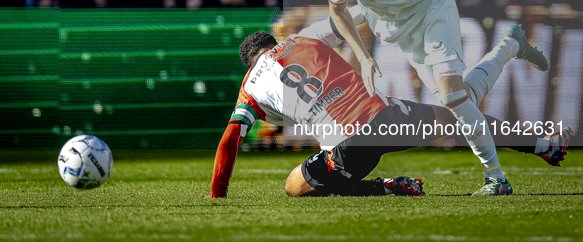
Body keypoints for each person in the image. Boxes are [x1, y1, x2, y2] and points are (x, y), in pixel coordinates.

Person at [322, 0, 550, 195]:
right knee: (459, 100)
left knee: (453, 97)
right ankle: (511, 47)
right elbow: (337, 11)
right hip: (404, 34)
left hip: (434, 11)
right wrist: (363, 57)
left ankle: (496, 179)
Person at [206, 11, 573, 198]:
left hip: (349, 146)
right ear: (274, 41)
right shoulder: (306, 37)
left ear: (251, 61)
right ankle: (543, 142)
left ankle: (388, 187)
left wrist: (217, 194)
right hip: (388, 115)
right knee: (462, 113)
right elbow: (351, 18)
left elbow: (229, 141)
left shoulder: (251, 84)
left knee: (294, 186)